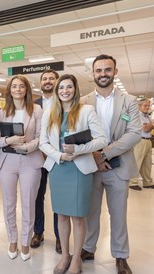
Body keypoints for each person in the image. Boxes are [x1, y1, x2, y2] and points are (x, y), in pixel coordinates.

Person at [40, 74, 107, 274]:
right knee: (61, 215)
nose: (65, 91)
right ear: (56, 91)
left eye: (69, 87)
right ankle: (65, 256)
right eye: (61, 88)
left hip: (80, 169)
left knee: (78, 217)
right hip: (59, 168)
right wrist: (59, 155)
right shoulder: (49, 112)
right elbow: (43, 142)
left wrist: (76, 151)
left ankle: (76, 258)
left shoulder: (87, 111)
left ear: (75, 89)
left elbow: (101, 139)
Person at [80, 54, 141, 274]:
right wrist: (94, 155)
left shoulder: (129, 101)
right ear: (93, 73)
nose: (103, 74)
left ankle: (121, 255)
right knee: (91, 212)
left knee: (118, 213)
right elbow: (80, 134)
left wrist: (103, 154)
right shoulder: (83, 101)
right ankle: (88, 247)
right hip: (91, 166)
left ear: (115, 72)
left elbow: (134, 133)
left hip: (119, 166)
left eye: (108, 70)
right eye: (99, 70)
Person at [0, 75, 43, 261]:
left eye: (22, 86)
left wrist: (27, 146)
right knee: (8, 204)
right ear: (10, 90)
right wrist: (9, 140)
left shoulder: (37, 110)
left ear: (26, 90)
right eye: (14, 86)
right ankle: (12, 239)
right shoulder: (3, 112)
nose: (18, 89)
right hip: (8, 161)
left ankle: (25, 242)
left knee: (29, 203)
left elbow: (40, 137)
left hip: (30, 160)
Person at [31, 69, 61, 253]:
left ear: (57, 81)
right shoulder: (33, 105)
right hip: (38, 157)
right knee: (37, 196)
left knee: (58, 198)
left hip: (58, 158)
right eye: (45, 78)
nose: (48, 81)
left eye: (51, 78)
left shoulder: (65, 102)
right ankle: (38, 232)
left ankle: (60, 236)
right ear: (40, 82)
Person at [129, 98, 154, 190]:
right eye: (145, 105)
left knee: (147, 163)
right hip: (140, 141)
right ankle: (132, 182)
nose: (147, 107)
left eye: (148, 105)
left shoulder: (146, 116)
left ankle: (147, 182)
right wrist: (151, 125)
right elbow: (146, 128)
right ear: (139, 106)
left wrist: (151, 125)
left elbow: (150, 126)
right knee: (137, 161)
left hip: (148, 140)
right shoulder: (136, 115)